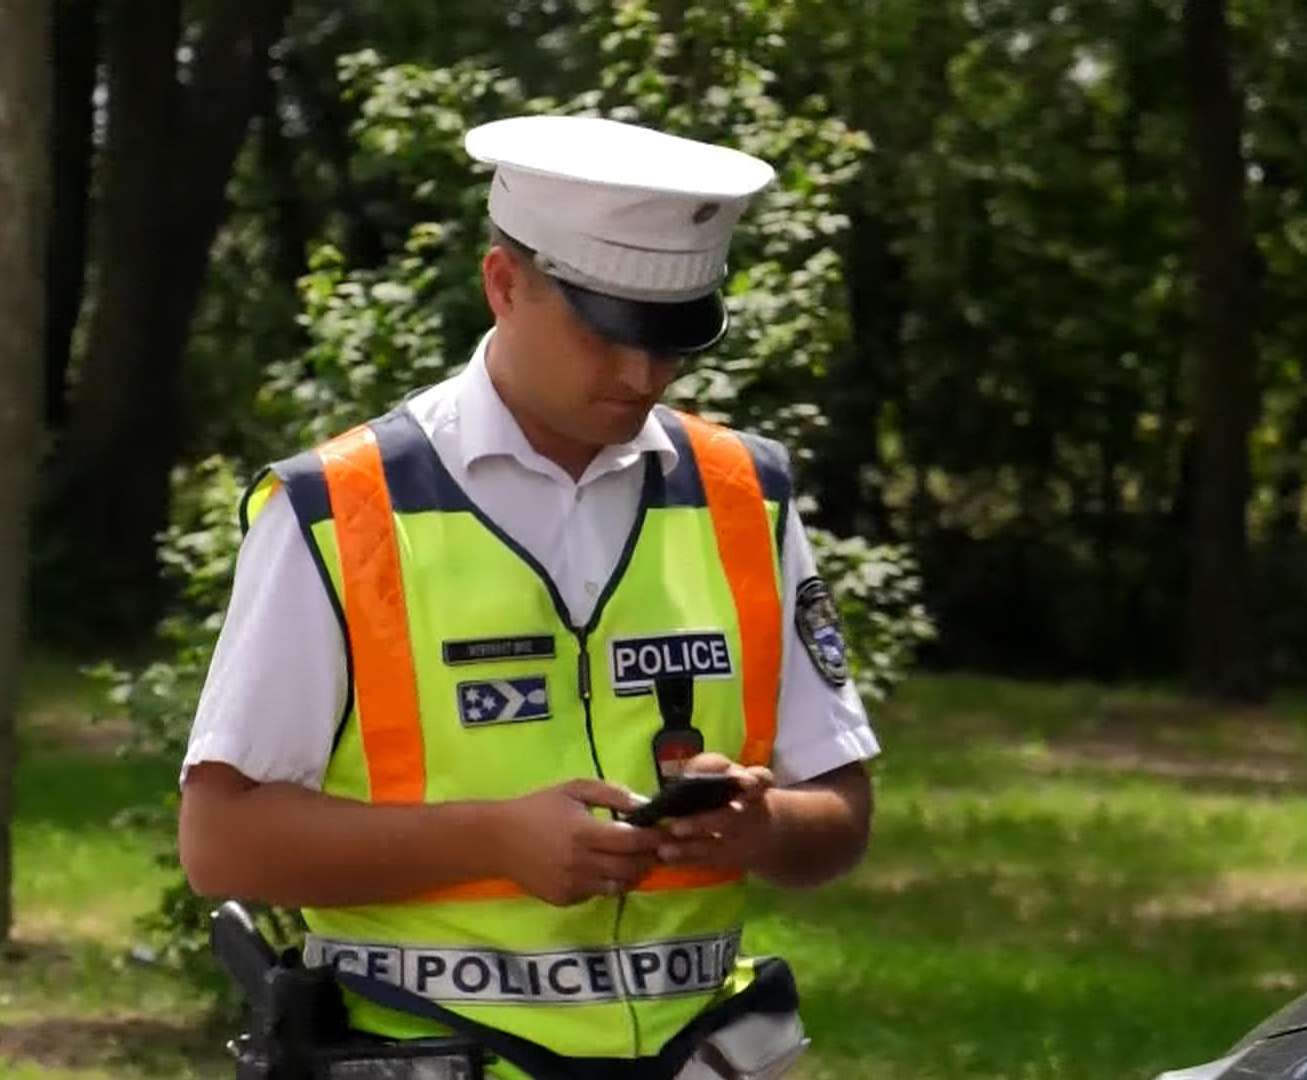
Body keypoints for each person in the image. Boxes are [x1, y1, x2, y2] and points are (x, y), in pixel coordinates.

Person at [178, 113, 879, 1079]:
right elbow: (220, 843)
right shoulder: (338, 512)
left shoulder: (742, 496)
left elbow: (841, 810)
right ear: (503, 284)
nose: (641, 374)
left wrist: (761, 826)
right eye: (607, 332)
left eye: (671, 340)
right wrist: (493, 839)